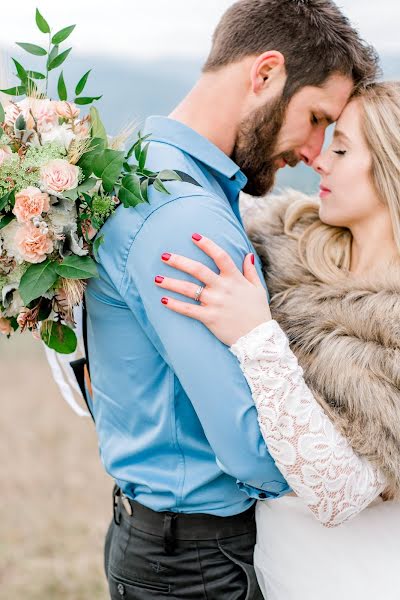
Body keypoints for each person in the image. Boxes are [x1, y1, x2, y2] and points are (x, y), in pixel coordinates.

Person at [86, 1, 378, 598]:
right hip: (197, 560)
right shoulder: (187, 218)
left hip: (160, 540)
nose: (315, 151)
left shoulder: (143, 162)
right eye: (317, 117)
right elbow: (252, 451)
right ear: (265, 74)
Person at [155, 81, 400, 599]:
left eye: (341, 148)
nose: (320, 162)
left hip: (362, 579)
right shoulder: (281, 240)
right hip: (260, 570)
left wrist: (257, 336)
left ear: (390, 165)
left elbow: (340, 493)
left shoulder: (390, 328)